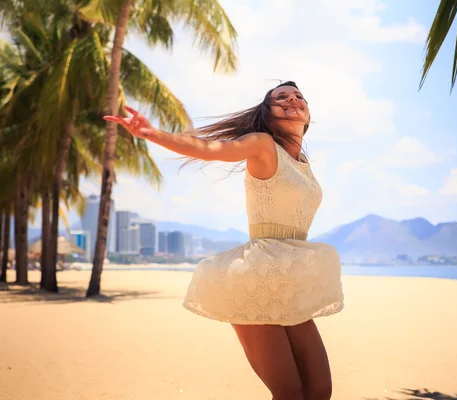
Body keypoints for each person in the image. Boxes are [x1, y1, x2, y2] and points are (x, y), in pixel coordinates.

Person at [105, 81, 344, 400]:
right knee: (289, 394)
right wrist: (151, 133)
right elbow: (211, 149)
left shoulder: (303, 164)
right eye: (281, 98)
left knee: (319, 392)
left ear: (308, 115)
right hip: (255, 281)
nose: (292, 100)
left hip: (291, 283)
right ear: (267, 114)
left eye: (299, 96)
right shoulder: (262, 144)